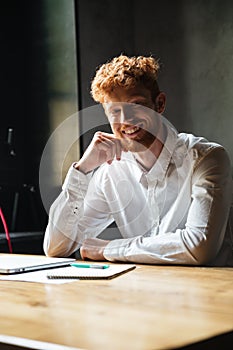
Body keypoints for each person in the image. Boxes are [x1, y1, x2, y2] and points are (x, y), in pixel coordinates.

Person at [43, 54, 233, 266]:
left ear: (159, 104)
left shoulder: (206, 159)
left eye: (137, 105)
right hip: (145, 291)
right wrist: (82, 170)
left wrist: (108, 249)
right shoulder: (111, 172)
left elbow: (199, 247)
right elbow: (56, 248)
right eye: (115, 110)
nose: (126, 119)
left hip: (212, 292)